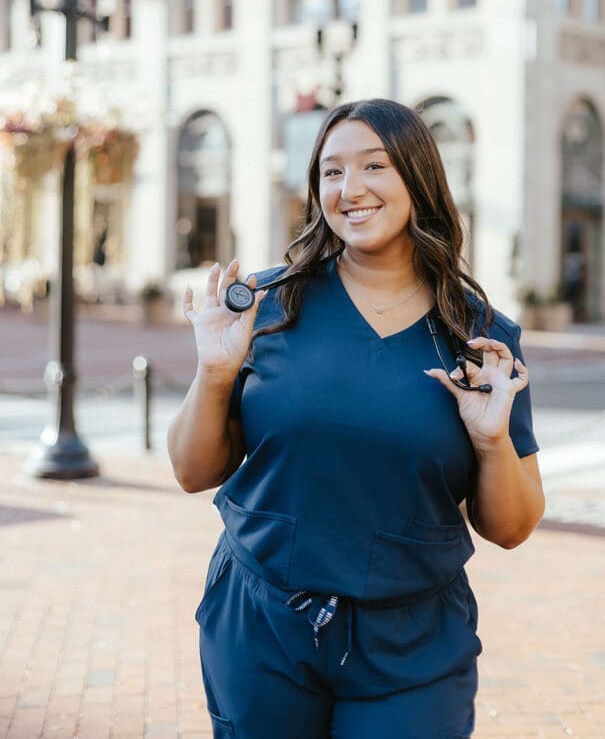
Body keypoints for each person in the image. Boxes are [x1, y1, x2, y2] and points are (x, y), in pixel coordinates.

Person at [168, 98, 545, 739]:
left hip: (413, 649)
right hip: (261, 631)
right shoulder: (266, 305)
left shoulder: (479, 338)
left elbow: (511, 527)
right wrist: (215, 371)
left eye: (374, 165)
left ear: (418, 178)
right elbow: (191, 471)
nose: (351, 189)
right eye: (332, 171)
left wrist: (491, 441)